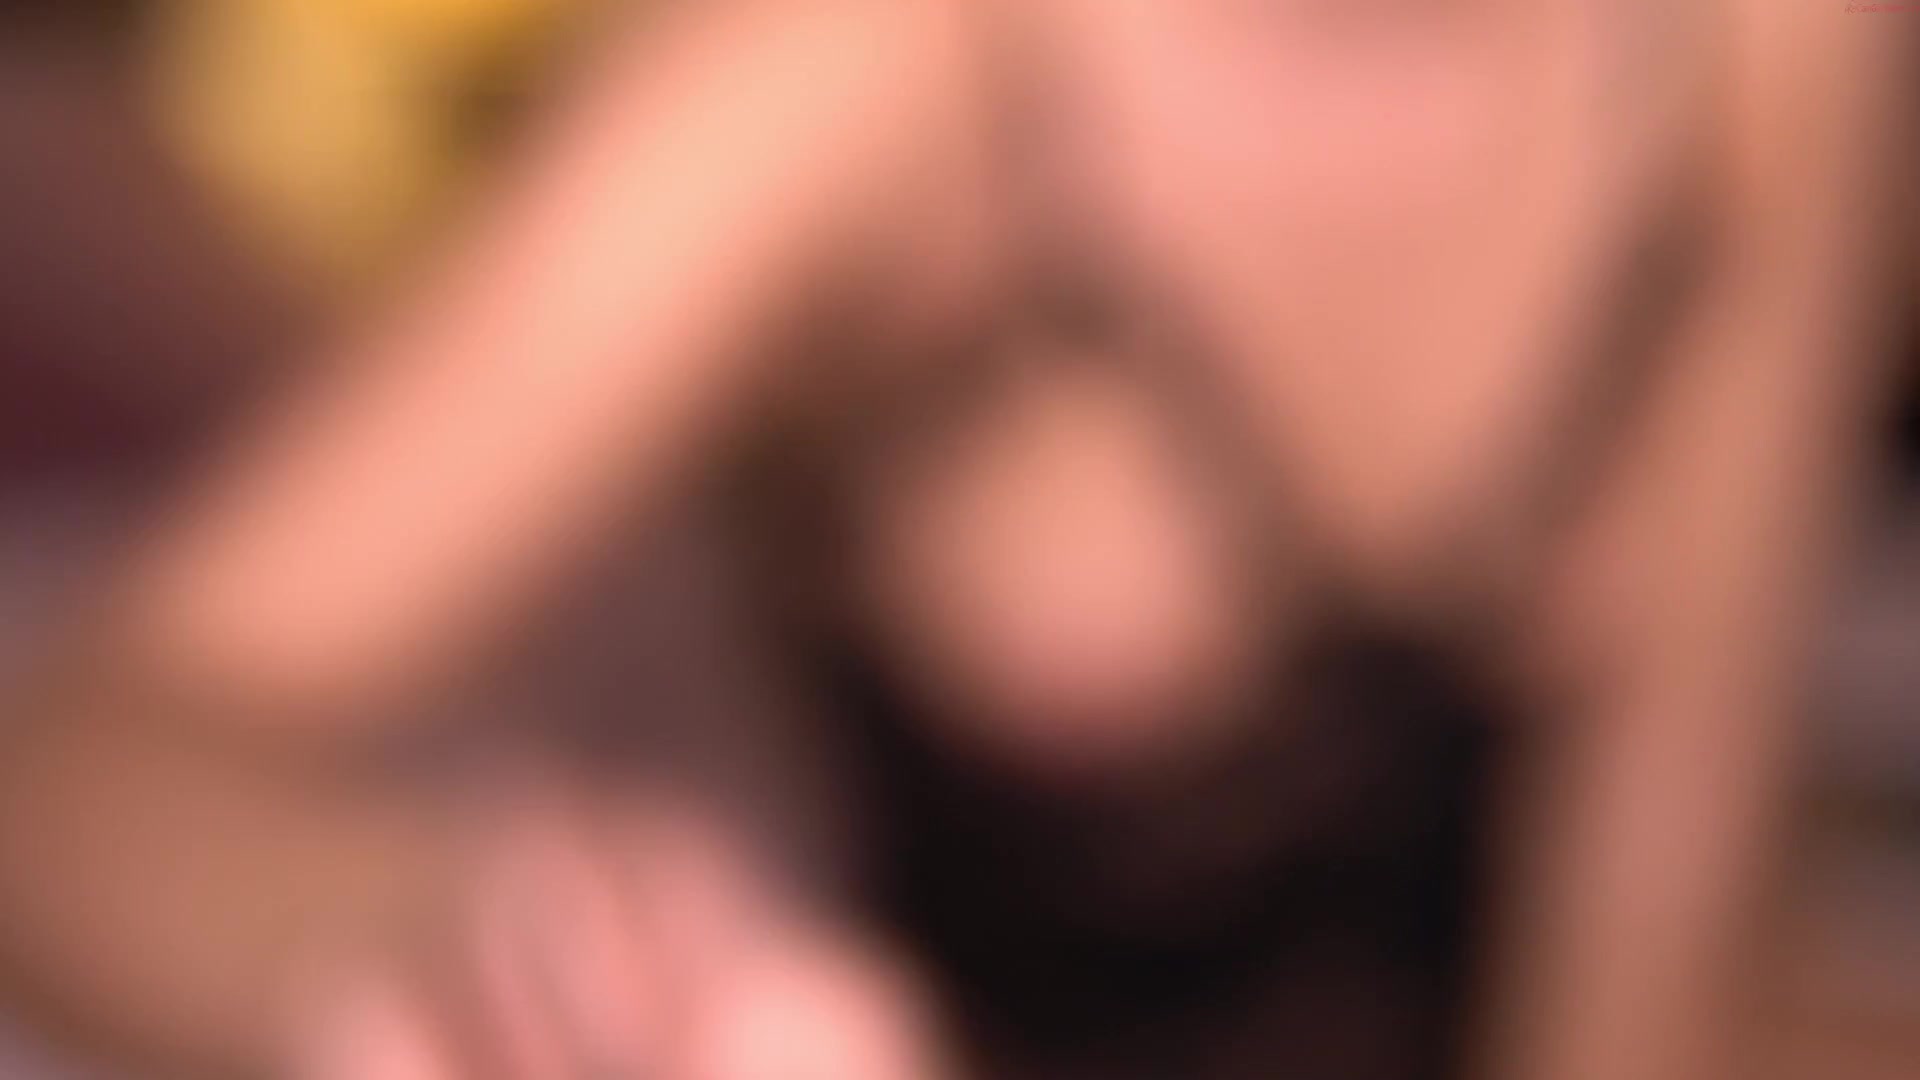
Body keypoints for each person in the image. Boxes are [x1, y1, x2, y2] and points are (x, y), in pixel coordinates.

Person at [0, 1, 1908, 1077]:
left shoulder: (1781, 52)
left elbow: (1638, 977)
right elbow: (69, 763)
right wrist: (445, 952)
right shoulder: (869, 65)